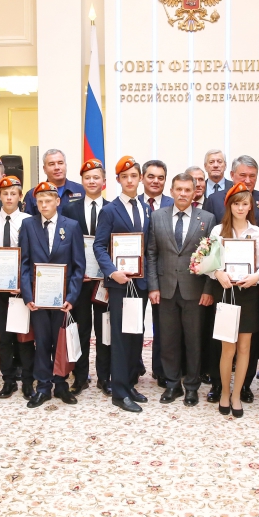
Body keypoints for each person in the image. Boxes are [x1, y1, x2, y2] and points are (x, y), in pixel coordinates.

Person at [203, 155, 259, 402]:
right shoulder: (218, 231)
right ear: (229, 206)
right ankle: (224, 392)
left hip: (248, 295)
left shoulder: (257, 233)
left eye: (245, 204)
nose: (241, 208)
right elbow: (208, 264)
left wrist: (256, 277)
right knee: (227, 347)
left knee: (245, 348)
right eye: (236, 204)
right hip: (224, 293)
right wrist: (218, 273)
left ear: (250, 207)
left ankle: (237, 394)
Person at [147, 172, 215, 406]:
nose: (183, 194)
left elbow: (213, 258)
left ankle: (192, 387)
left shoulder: (207, 218)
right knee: (168, 340)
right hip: (165, 289)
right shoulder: (157, 217)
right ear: (172, 191)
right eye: (179, 189)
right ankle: (172, 384)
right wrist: (153, 286)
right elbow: (152, 253)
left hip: (195, 291)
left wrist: (208, 289)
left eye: (188, 190)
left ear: (195, 192)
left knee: (194, 341)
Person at [19, 181, 86, 408]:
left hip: (62, 298)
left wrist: (72, 297)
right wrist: (27, 296)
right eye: (40, 201)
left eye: (48, 201)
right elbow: (24, 263)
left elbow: (78, 266)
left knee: (61, 342)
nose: (44, 205)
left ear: (58, 201)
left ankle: (61, 383)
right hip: (38, 297)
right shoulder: (28, 225)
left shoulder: (72, 226)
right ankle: (43, 386)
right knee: (42, 342)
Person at [94, 156, 151, 413]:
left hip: (140, 283)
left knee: (135, 335)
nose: (130, 180)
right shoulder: (109, 210)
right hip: (119, 283)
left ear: (140, 178)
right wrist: (112, 272)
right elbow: (99, 246)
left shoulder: (145, 209)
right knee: (119, 337)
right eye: (124, 176)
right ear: (117, 180)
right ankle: (119, 393)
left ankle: (129, 384)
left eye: (134, 176)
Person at [62, 160, 109, 395]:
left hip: (104, 281)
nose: (92, 181)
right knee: (80, 329)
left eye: (96, 177)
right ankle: (80, 377)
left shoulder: (112, 208)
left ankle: (104, 377)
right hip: (79, 281)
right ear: (81, 181)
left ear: (104, 181)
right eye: (87, 177)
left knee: (104, 330)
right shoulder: (69, 209)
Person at [0, 176, 33, 398]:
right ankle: (8, 379)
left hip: (21, 288)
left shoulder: (28, 220)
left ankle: (27, 380)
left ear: (20, 196)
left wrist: (23, 284)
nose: (9, 197)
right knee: (4, 337)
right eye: (5, 193)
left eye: (13, 193)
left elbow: (31, 254)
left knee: (23, 335)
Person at [138, 159, 172, 386]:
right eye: (151, 176)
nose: (155, 181)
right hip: (134, 276)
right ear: (142, 178)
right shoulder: (131, 203)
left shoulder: (173, 204)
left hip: (164, 276)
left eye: (160, 177)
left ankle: (161, 370)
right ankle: (134, 366)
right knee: (134, 324)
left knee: (163, 327)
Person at [23, 149, 85, 216]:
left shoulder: (82, 190)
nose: (57, 167)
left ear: (65, 165)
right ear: (44, 169)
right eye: (51, 164)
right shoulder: (32, 195)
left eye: (60, 163)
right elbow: (27, 221)